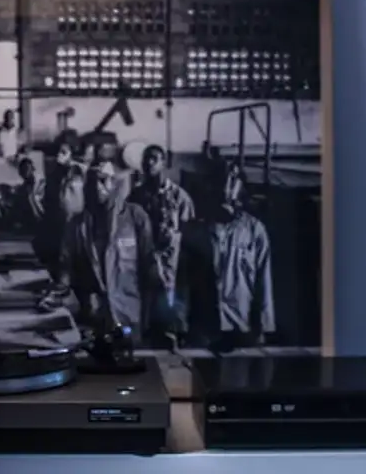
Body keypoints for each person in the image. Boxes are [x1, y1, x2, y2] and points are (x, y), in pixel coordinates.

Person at [43, 160, 162, 344]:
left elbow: (149, 265)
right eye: (92, 181)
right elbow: (65, 267)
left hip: (129, 314)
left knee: (129, 357)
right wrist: (63, 294)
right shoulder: (76, 226)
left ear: (114, 183)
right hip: (94, 317)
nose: (98, 187)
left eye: (103, 180)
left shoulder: (136, 217)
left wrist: (150, 315)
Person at [174, 160, 275, 352]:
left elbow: (264, 279)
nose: (227, 188)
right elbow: (183, 283)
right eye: (222, 181)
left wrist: (264, 325)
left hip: (240, 325)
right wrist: (180, 325)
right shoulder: (196, 230)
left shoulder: (254, 230)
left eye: (233, 181)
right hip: (203, 329)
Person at [128, 145, 195, 339]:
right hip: (142, 257)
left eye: (154, 158)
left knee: (169, 301)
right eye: (146, 158)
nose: (149, 163)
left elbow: (188, 233)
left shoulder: (179, 197)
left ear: (163, 162)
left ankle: (171, 333)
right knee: (143, 302)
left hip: (171, 261)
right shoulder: (136, 196)